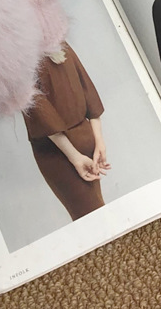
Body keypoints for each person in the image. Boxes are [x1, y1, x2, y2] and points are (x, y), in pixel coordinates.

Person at [23, 44, 111, 221]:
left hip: (59, 149)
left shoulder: (18, 55)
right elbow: (88, 90)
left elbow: (41, 113)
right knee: (98, 215)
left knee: (91, 219)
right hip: (85, 137)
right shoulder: (59, 41)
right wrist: (98, 140)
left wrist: (75, 156)